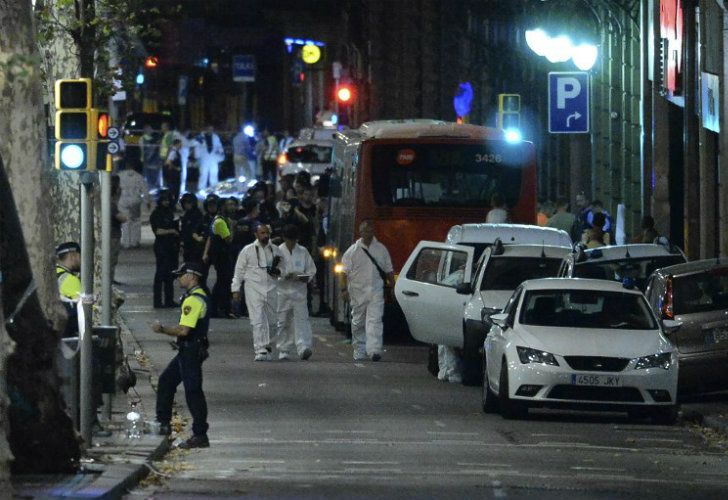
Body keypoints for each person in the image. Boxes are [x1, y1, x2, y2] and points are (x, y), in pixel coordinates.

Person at [153, 262, 210, 449]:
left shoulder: (193, 300)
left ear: (192, 276)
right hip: (189, 349)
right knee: (166, 382)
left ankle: (200, 434)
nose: (178, 278)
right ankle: (162, 425)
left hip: (191, 350)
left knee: (193, 391)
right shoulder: (196, 296)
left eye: (181, 275)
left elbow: (184, 330)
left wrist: (162, 330)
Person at [340, 220, 394, 361]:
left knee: (375, 320)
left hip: (376, 291)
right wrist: (343, 290)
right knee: (358, 322)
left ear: (373, 231)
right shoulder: (352, 251)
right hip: (357, 292)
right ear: (360, 232)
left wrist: (392, 287)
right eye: (364, 230)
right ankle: (359, 348)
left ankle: (374, 350)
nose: (367, 233)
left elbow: (388, 270)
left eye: (370, 230)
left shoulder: (381, 249)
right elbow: (343, 272)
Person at [231, 224, 284, 361]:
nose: (265, 236)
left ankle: (268, 346)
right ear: (256, 234)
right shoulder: (248, 250)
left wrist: (278, 272)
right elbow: (239, 271)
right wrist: (235, 289)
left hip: (272, 288)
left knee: (272, 321)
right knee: (257, 320)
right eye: (262, 233)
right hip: (253, 289)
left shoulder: (276, 250)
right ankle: (260, 349)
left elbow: (284, 270)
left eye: (267, 233)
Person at [276, 225, 316, 360]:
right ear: (284, 238)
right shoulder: (277, 252)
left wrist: (299, 277)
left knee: (302, 320)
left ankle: (303, 347)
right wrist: (283, 276)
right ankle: (284, 350)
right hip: (282, 293)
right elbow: (271, 273)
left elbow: (311, 273)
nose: (292, 243)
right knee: (283, 321)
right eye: (289, 240)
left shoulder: (303, 251)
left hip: (299, 293)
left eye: (294, 240)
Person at [203, 197, 235, 318]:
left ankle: (219, 308)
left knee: (223, 282)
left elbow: (210, 239)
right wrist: (232, 226)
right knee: (223, 282)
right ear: (222, 207)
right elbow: (229, 239)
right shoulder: (221, 222)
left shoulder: (218, 220)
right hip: (222, 256)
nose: (232, 207)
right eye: (229, 205)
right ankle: (218, 308)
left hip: (220, 255)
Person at [150, 189, 179, 308]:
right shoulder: (157, 214)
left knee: (170, 274)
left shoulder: (171, 213)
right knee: (161, 274)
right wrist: (171, 231)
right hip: (162, 246)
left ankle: (169, 300)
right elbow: (157, 231)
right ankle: (157, 301)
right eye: (164, 200)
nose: (167, 202)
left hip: (171, 246)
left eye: (168, 200)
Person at [118, 163, 147, 249]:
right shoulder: (139, 177)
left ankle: (126, 243)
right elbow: (145, 190)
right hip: (135, 200)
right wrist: (147, 201)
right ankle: (135, 242)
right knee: (135, 221)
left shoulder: (120, 175)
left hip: (123, 200)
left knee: (125, 222)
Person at [56, 241, 81, 338]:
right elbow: (84, 312)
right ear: (73, 256)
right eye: (80, 256)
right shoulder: (70, 280)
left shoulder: (50, 273)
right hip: (67, 335)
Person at [194, 125, 224, 191]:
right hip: (203, 158)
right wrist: (197, 158)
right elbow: (196, 147)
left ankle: (214, 188)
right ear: (206, 129)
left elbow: (219, 146)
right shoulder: (200, 137)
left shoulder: (215, 137)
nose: (211, 130)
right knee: (203, 174)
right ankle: (201, 188)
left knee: (214, 173)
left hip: (213, 158)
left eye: (212, 129)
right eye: (209, 129)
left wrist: (221, 153)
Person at [110, 174, 127, 284]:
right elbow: (121, 217)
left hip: (113, 234)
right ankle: (109, 279)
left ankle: (110, 278)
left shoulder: (111, 204)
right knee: (111, 258)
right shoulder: (110, 204)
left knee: (112, 259)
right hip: (112, 235)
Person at [180, 193, 204, 263]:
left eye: (189, 203)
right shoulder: (186, 215)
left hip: (195, 246)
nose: (186, 205)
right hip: (187, 246)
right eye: (185, 203)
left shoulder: (197, 215)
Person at [139, 124, 162, 191]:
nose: (152, 130)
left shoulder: (152, 138)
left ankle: (151, 188)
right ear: (146, 130)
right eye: (150, 129)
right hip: (149, 160)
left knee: (152, 175)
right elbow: (142, 149)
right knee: (149, 175)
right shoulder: (143, 138)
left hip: (153, 160)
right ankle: (150, 188)